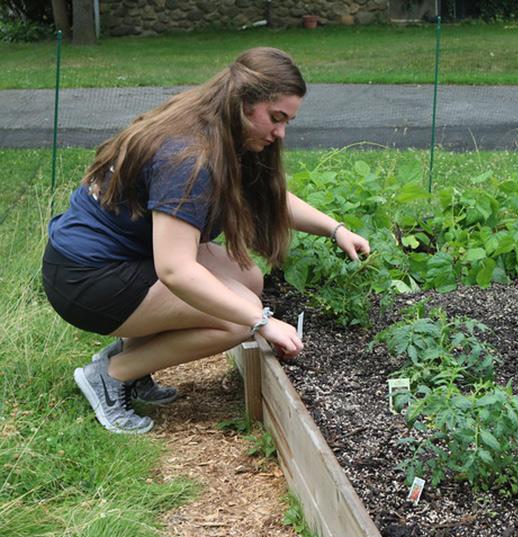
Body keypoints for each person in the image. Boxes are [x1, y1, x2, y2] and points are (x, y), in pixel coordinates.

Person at [42, 47, 370, 434]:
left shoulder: (219, 126)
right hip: (86, 278)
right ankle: (111, 375)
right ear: (244, 102)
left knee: (248, 280)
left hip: (121, 258)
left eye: (287, 121)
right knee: (239, 320)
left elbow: (268, 195)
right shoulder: (188, 158)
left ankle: (135, 361)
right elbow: (175, 269)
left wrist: (336, 229)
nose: (280, 132)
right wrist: (261, 322)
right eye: (276, 118)